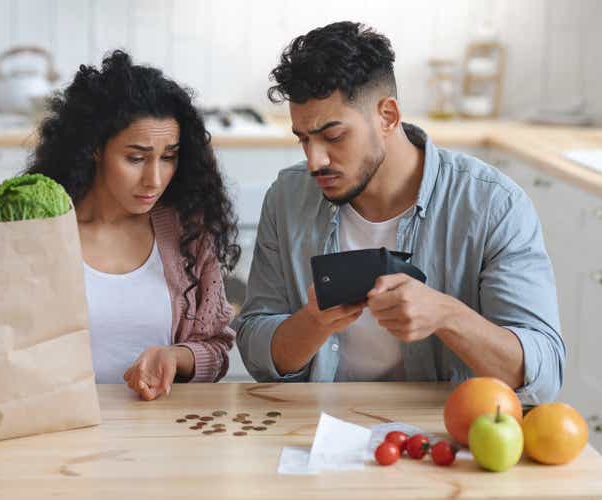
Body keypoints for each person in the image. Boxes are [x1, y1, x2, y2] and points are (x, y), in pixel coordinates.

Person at [0, 50, 241, 401]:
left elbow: (217, 348)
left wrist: (175, 357)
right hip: (41, 432)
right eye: (135, 158)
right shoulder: (30, 227)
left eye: (169, 158)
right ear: (95, 148)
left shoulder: (187, 235)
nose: (155, 179)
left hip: (154, 433)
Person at [234, 21, 564, 404]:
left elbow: (543, 375)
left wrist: (446, 316)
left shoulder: (493, 205)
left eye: (333, 136)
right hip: (311, 426)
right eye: (303, 139)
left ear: (388, 116)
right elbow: (256, 347)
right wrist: (311, 322)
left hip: (444, 434)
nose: (314, 160)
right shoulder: (287, 198)